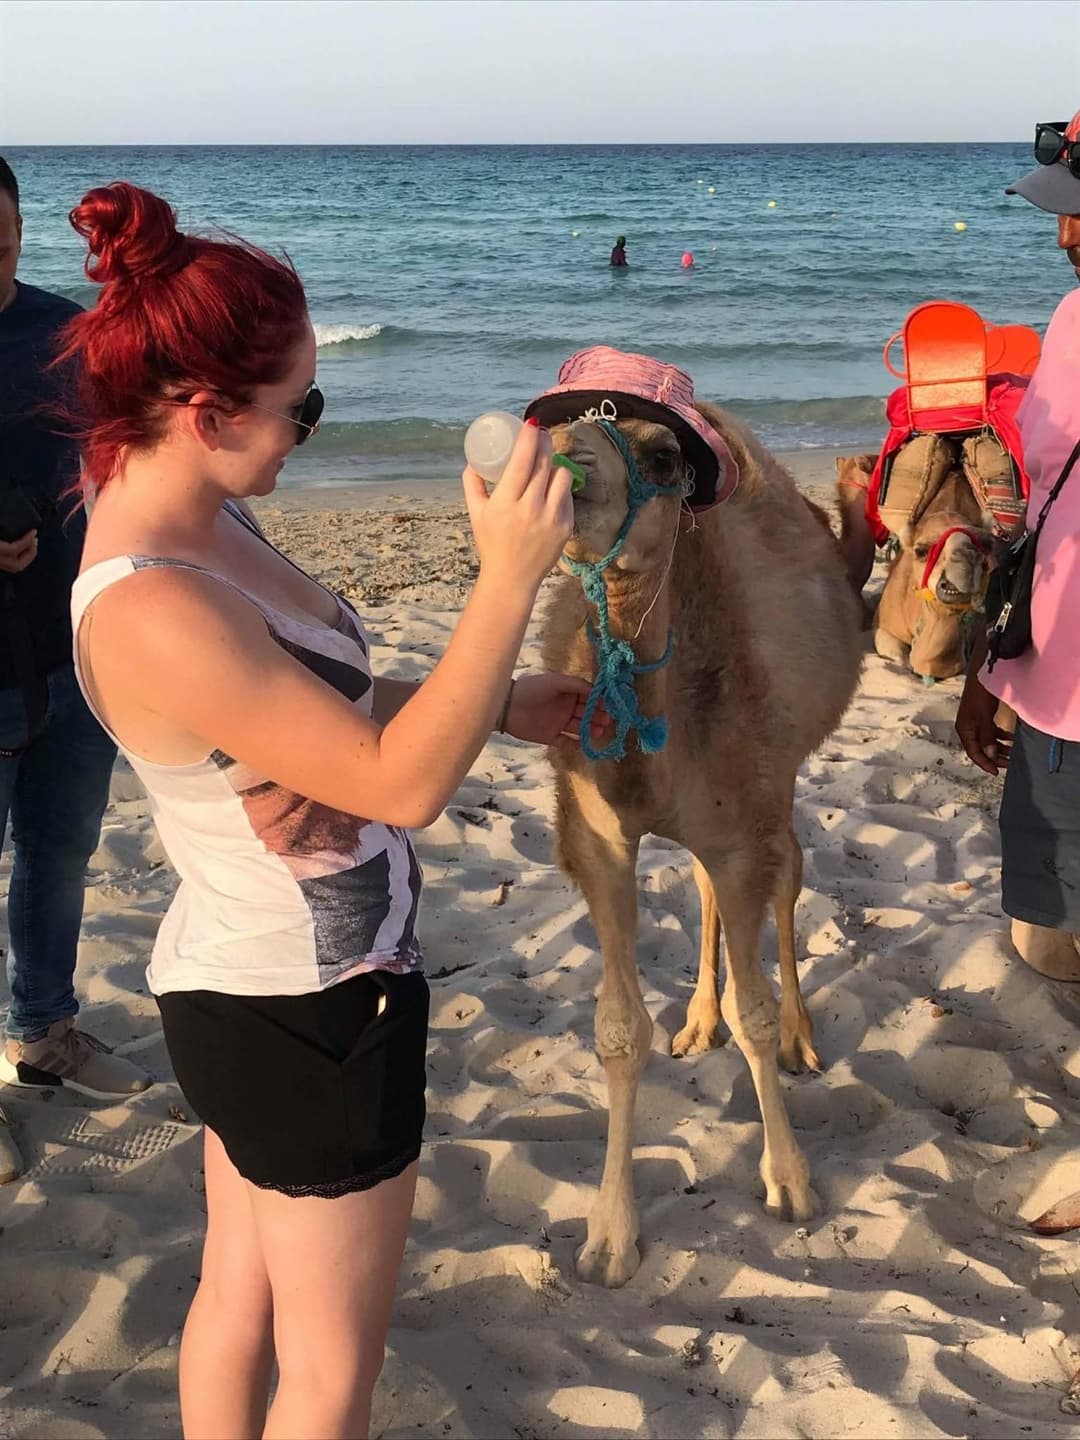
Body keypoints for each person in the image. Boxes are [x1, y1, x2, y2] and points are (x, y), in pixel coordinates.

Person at [62, 180, 603, 1440]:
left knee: (239, 1300)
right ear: (203, 412)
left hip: (255, 987)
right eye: (297, 406)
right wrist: (507, 581)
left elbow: (323, 699)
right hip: (305, 1017)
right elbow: (397, 782)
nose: (308, 426)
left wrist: (498, 700)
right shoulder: (152, 603)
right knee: (326, 1375)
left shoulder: (202, 516)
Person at [0, 156, 148, 1185]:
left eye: (3, 242)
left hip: (68, 648)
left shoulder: (65, 336)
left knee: (60, 854)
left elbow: (122, 457)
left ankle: (42, 1029)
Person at [955, 108, 1080, 985]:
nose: (1067, 233)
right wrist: (991, 675)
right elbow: (1042, 518)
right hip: (1051, 687)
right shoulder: (1072, 318)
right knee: (1047, 941)